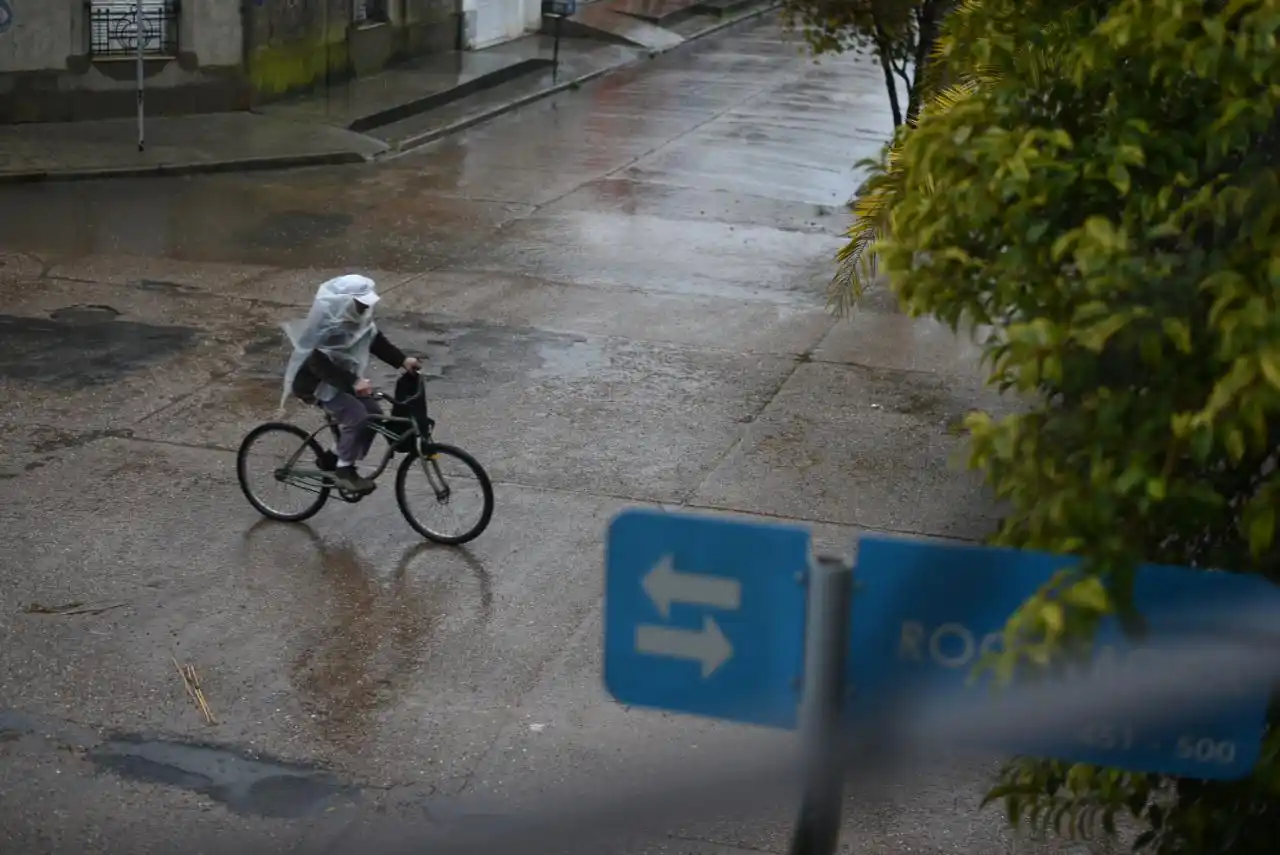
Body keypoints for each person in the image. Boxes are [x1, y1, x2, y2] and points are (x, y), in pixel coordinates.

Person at [279, 275, 420, 494]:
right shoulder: (325, 326)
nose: (365, 307)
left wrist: (402, 360)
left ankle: (333, 457)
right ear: (346, 302)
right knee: (356, 416)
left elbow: (374, 340)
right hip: (317, 383)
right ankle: (343, 471)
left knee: (374, 414)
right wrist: (354, 381)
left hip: (343, 381)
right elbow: (319, 365)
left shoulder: (357, 318)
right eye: (361, 303)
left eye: (367, 304)